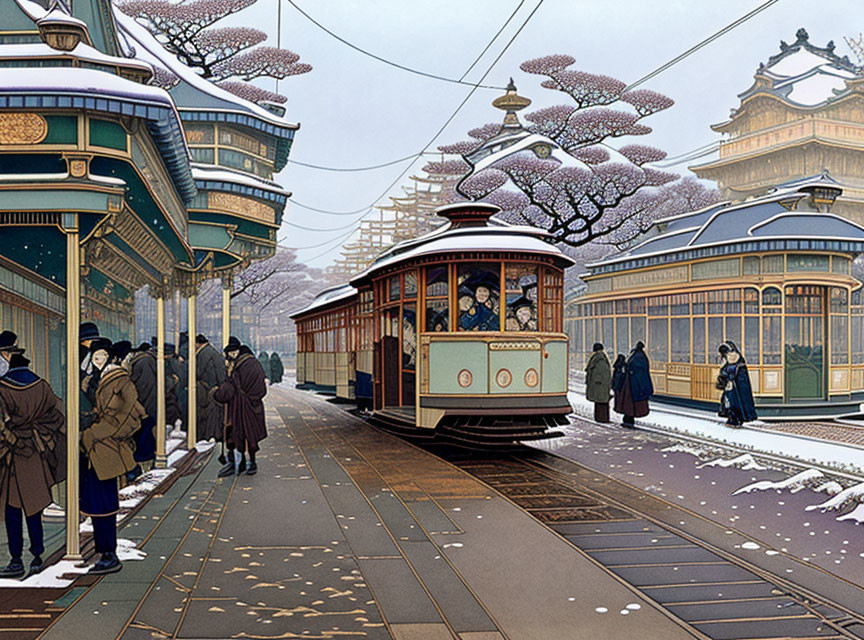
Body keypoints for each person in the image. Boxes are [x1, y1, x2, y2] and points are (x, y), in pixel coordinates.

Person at [80, 338, 144, 575]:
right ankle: (105, 552)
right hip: (98, 449)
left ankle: (109, 553)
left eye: (102, 357)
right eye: (95, 358)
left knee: (103, 503)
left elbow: (121, 418)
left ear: (111, 357)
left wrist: (90, 435)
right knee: (98, 503)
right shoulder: (98, 380)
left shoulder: (119, 381)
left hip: (106, 449)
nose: (98, 362)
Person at [0, 348, 66, 578]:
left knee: (12, 510)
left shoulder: (3, 388)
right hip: (36, 455)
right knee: (35, 508)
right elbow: (58, 415)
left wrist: (12, 438)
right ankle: (37, 555)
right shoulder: (42, 386)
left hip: (13, 457)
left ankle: (16, 559)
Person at [214, 337, 268, 477]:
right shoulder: (254, 363)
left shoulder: (236, 367)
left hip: (238, 406)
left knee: (235, 432)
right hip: (254, 406)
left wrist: (215, 393)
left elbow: (228, 390)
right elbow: (262, 389)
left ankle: (239, 462)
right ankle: (252, 462)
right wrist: (253, 399)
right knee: (251, 434)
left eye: (232, 352)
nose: (231, 355)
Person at [128, 341, 157, 479]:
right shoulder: (148, 361)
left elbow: (143, 388)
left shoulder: (142, 362)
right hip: (146, 408)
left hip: (143, 409)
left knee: (144, 441)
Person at [717, 342, 757, 428]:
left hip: (735, 386)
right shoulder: (735, 360)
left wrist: (725, 375)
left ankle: (736, 419)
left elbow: (730, 370)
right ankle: (734, 418)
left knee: (734, 402)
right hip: (732, 385)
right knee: (730, 402)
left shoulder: (734, 359)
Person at [195, 334, 227, 441]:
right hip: (215, 388)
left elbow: (198, 372)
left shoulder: (203, 353)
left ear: (197, 344)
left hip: (207, 389)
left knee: (207, 416)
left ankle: (207, 436)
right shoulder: (212, 351)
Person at [615, 342, 653, 428]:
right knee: (630, 402)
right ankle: (628, 419)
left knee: (629, 401)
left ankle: (628, 420)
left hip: (632, 383)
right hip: (633, 382)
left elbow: (635, 368)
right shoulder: (641, 356)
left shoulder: (637, 356)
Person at [585, 343, 612, 423]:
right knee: (601, 402)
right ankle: (602, 418)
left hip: (599, 385)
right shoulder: (601, 358)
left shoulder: (598, 359)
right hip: (600, 385)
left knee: (600, 402)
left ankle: (600, 418)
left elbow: (599, 372)